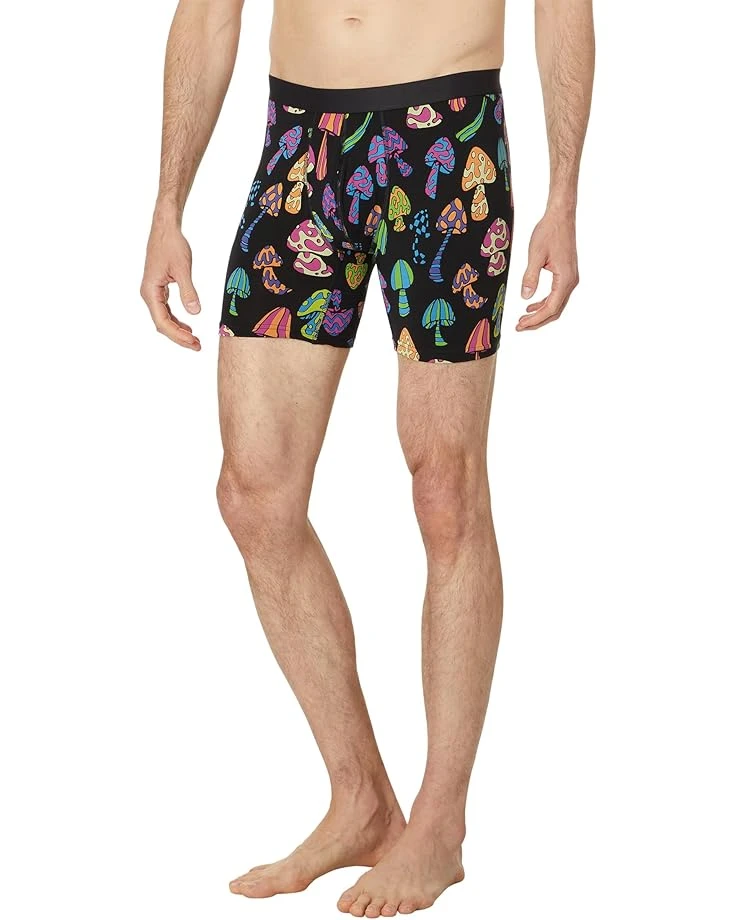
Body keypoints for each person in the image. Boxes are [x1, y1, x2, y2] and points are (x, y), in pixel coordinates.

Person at [140, 1, 594, 915]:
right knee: (254, 495)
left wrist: (565, 196)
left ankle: (440, 824)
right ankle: (361, 801)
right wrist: (167, 204)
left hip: (447, 140)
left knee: (445, 489)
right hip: (298, 147)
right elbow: (209, 13)